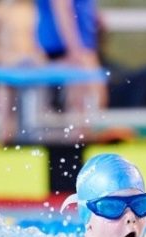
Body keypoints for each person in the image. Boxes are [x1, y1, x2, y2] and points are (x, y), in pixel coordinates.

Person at [0, 0, 46, 144]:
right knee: (6, 124)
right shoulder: (1, 10)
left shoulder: (39, 9)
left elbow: (46, 48)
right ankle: (5, 140)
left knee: (37, 124)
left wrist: (40, 56)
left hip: (34, 74)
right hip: (7, 75)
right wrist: (4, 56)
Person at [35, 0, 108, 140]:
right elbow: (61, 7)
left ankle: (79, 137)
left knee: (84, 99)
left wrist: (94, 15)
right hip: (65, 47)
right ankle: (77, 139)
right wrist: (74, 49)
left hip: (72, 45)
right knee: (89, 95)